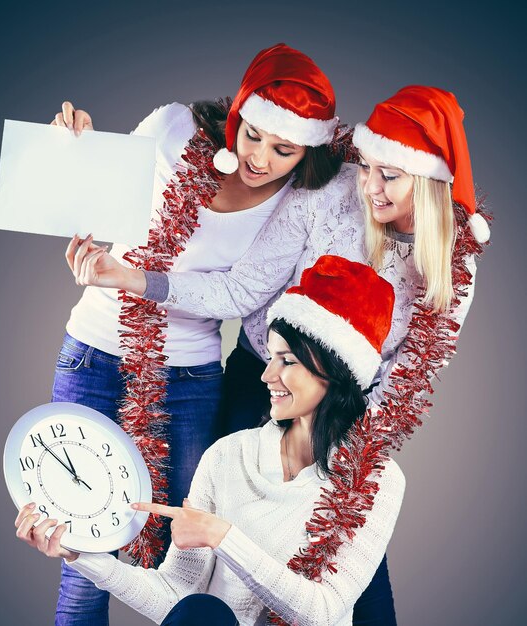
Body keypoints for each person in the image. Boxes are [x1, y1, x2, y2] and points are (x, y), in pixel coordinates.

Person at [73, 85, 490, 624]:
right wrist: (137, 279)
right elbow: (240, 289)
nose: (370, 186)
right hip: (264, 379)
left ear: (430, 181)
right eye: (367, 166)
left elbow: (411, 373)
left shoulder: (454, 265)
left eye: (390, 175)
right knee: (217, 555)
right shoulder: (331, 194)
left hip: (351, 411)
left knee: (342, 568)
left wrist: (351, 452)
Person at [49, 43, 344, 625]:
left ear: (306, 150)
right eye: (253, 135)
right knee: (83, 550)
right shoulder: (171, 127)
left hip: (189, 376)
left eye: (284, 149)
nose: (260, 158)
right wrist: (75, 147)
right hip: (95, 352)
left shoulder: (296, 200)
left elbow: (240, 292)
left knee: (179, 555)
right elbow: (97, 203)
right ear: (238, 112)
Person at [16, 255, 406, 626]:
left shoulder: (375, 478)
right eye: (270, 357)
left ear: (334, 371)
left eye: (287, 361)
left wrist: (221, 536)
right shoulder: (228, 456)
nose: (267, 375)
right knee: (203, 612)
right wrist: (82, 554)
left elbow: (321, 611)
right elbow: (175, 594)